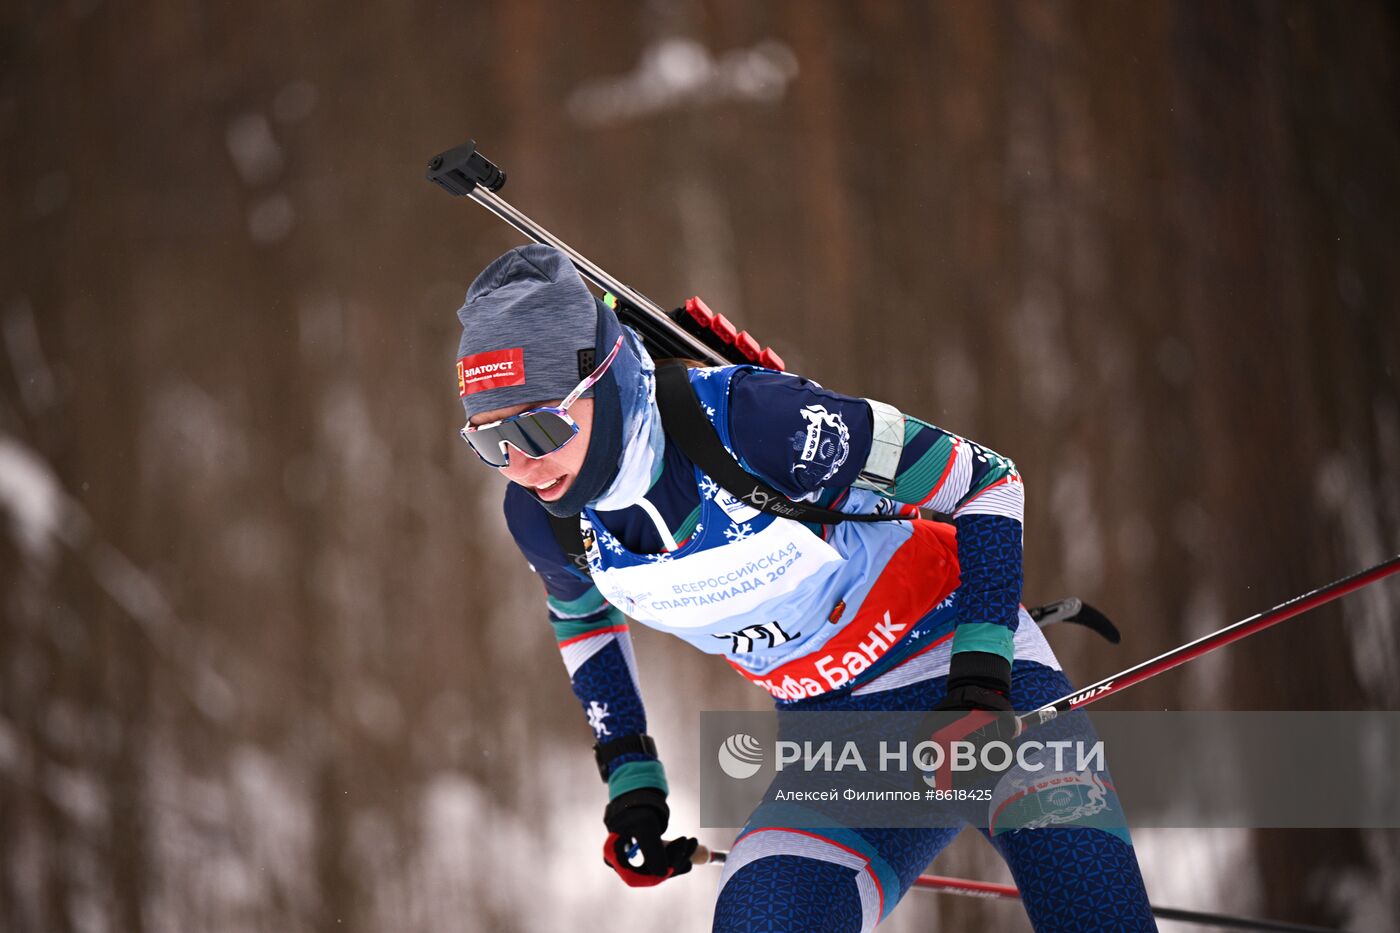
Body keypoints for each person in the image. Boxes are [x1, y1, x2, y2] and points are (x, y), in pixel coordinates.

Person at [454, 243, 1156, 932]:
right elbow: (580, 616)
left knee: (1092, 913)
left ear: (601, 384)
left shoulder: (754, 423)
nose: (520, 463)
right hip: (839, 741)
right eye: (489, 442)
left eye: (539, 425)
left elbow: (987, 481)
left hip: (973, 681)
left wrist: (979, 676)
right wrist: (631, 778)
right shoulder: (546, 519)